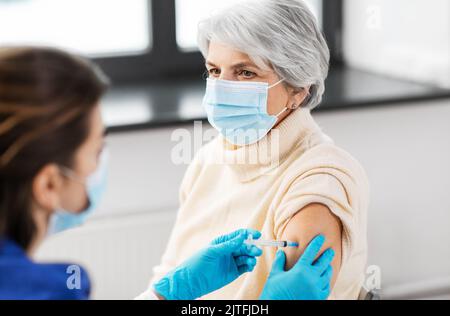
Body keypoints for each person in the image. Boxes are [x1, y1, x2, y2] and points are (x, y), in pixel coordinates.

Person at [0, 46, 334, 300]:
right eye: (96, 151)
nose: (101, 165)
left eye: (245, 72)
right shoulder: (41, 291)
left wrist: (167, 294)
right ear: (49, 183)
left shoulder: (318, 171)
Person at [151, 0, 369, 299]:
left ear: (298, 88)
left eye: (245, 73)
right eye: (214, 70)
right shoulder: (208, 159)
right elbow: (168, 270)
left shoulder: (318, 182)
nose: (221, 87)